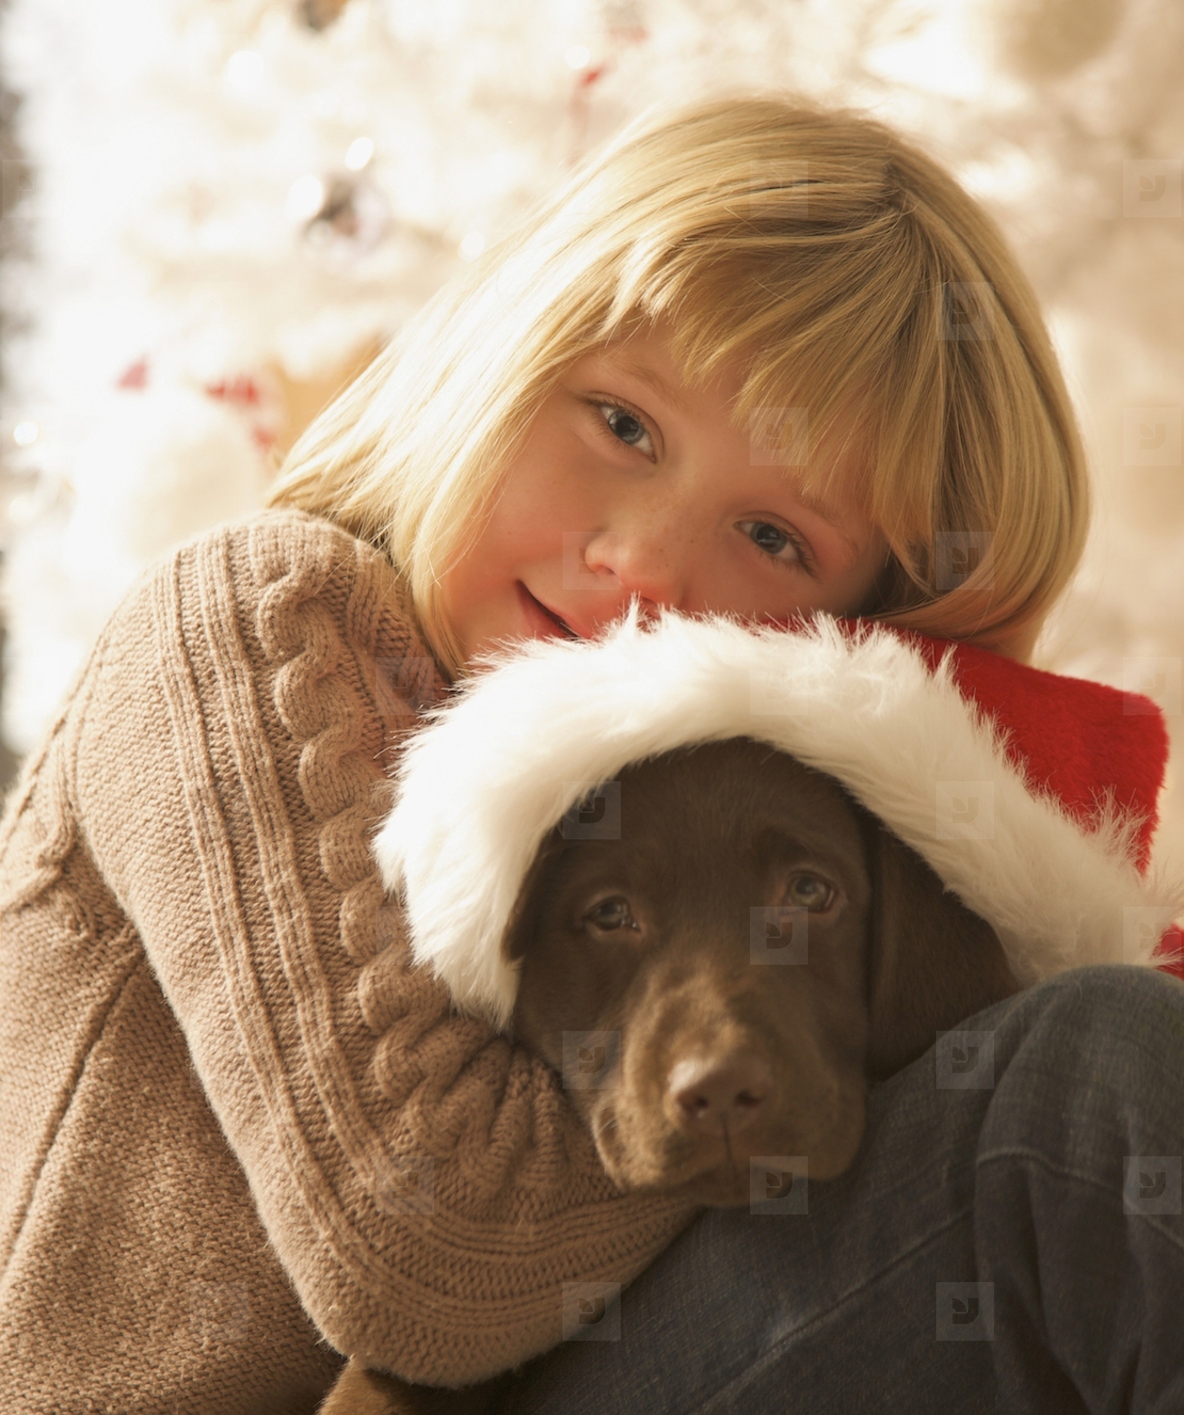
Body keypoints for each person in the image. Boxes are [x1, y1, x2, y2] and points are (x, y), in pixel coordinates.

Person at [1, 95, 1179, 1415]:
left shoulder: (730, 809)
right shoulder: (254, 624)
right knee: (1078, 1100)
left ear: (854, 635)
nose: (646, 566)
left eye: (775, 539)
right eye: (623, 427)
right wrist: (811, 1068)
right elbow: (426, 1251)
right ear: (508, 350)